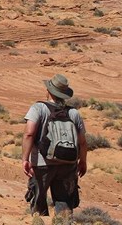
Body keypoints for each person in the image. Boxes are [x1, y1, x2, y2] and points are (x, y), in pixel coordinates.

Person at [22, 73, 87, 217]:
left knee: (38, 197)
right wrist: (83, 161)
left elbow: (29, 134)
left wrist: (25, 159)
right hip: (68, 163)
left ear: (49, 91)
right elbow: (82, 141)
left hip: (42, 162)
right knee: (64, 200)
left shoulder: (38, 108)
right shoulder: (74, 113)